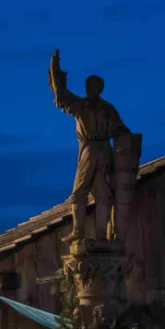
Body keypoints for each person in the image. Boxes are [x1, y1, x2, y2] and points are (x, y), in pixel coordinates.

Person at [49, 50, 131, 242]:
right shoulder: (109, 109)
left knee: (79, 191)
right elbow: (122, 131)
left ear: (92, 88)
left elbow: (62, 97)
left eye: (88, 85)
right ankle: (102, 234)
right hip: (105, 152)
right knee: (103, 193)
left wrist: (55, 72)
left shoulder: (83, 105)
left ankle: (79, 230)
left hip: (89, 150)